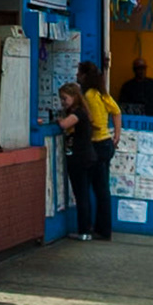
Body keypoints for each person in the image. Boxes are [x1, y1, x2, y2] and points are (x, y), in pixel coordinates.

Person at [77, 60, 121, 240]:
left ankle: (100, 230)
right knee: (103, 189)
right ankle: (104, 229)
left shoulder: (88, 96)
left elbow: (92, 122)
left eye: (79, 73)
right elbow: (116, 111)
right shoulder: (101, 93)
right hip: (106, 143)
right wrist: (117, 134)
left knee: (96, 189)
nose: (76, 76)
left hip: (96, 145)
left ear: (85, 76)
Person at [58, 83, 96, 240]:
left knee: (81, 195)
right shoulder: (83, 112)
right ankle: (86, 229)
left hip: (79, 158)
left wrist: (57, 118)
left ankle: (84, 231)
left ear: (74, 96)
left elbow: (64, 124)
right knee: (84, 194)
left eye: (64, 98)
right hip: (87, 156)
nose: (62, 102)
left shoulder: (78, 113)